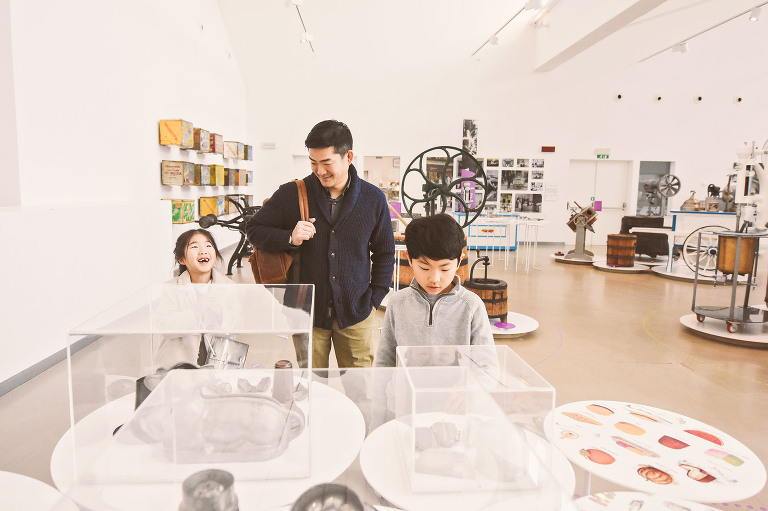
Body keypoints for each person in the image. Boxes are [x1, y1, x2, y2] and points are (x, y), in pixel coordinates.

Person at [246, 120, 395, 368]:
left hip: (357, 312)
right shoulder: (291, 194)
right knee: (311, 383)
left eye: (327, 163)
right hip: (306, 314)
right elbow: (254, 229)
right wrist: (290, 237)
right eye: (313, 163)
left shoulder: (373, 199)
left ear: (348, 157)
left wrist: (374, 298)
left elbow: (385, 253)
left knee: (360, 385)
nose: (320, 171)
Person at [375, 213, 494, 367]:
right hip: (407, 383)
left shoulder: (472, 305)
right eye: (424, 268)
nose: (434, 279)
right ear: (409, 259)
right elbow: (385, 361)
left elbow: (487, 365)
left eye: (445, 269)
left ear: (459, 261)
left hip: (456, 383)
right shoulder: (397, 303)